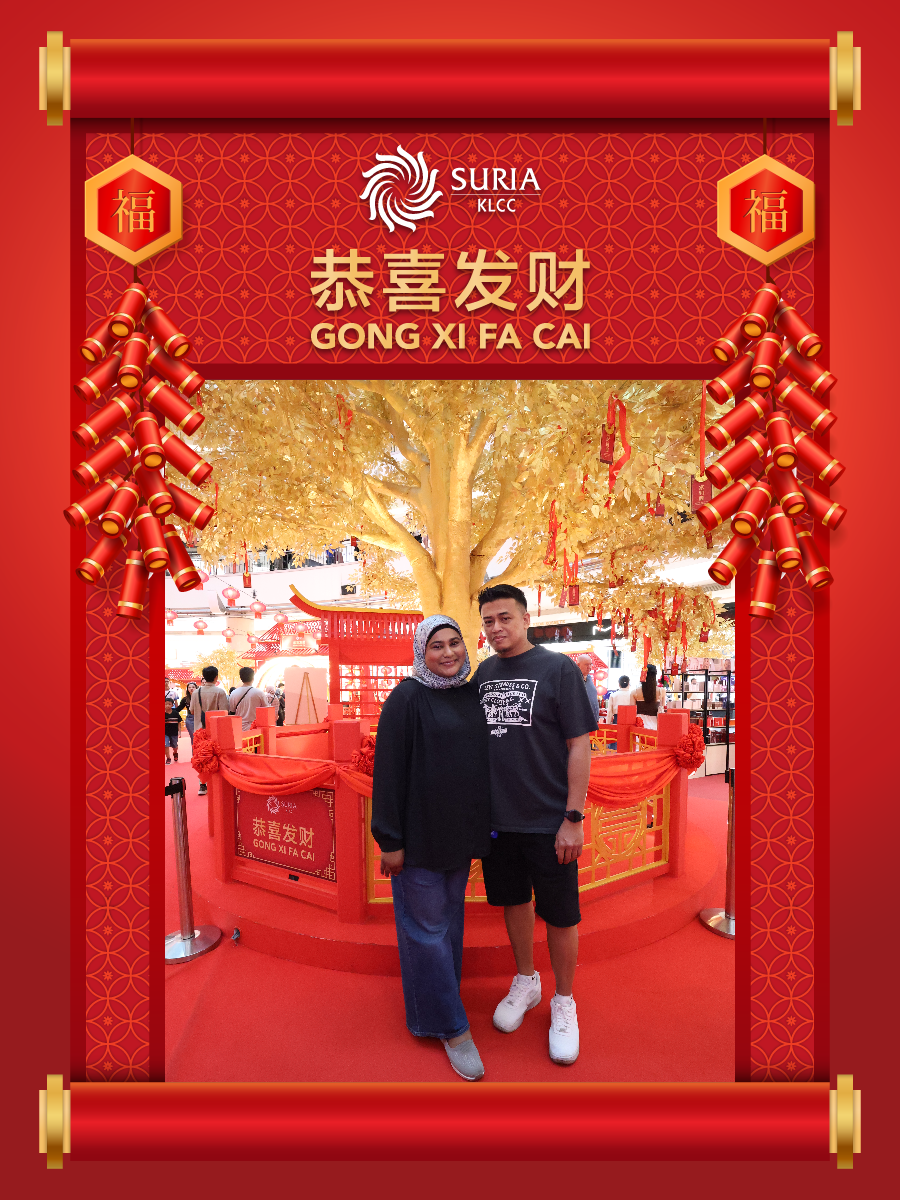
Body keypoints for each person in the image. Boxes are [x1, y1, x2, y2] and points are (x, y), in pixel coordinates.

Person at [473, 584, 596, 1066]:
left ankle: (564, 1000)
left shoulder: (557, 669)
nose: (496, 628)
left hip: (550, 821)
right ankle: (526, 980)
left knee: (561, 914)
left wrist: (573, 817)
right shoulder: (484, 673)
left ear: (526, 619)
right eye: (488, 621)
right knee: (513, 901)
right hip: (499, 820)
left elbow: (579, 745)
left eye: (505, 617)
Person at [371, 615, 492, 1082]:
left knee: (448, 927)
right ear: (421, 653)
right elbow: (388, 773)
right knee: (426, 930)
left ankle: (435, 1008)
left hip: (457, 836)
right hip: (417, 839)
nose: (448, 653)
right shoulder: (407, 698)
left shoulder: (470, 694)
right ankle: (453, 1028)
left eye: (454, 643)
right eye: (436, 646)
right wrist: (390, 840)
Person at [190, 666, 229, 794]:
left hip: (199, 730)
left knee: (201, 757)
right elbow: (224, 712)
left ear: (204, 677)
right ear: (216, 677)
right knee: (215, 756)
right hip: (215, 730)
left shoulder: (196, 693)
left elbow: (191, 710)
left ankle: (202, 784)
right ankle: (217, 784)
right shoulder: (220, 692)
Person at [228, 666, 276, 731]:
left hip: (238, 729)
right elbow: (267, 710)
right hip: (255, 729)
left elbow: (232, 711)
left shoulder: (233, 693)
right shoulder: (259, 693)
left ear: (241, 678)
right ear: (253, 678)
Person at [631, 664, 666, 730]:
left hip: (640, 725)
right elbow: (662, 710)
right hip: (655, 726)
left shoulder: (634, 692)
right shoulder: (662, 691)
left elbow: (632, 712)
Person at [575, 655, 600, 725]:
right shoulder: (573, 679)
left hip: (593, 720)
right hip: (580, 721)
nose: (589, 667)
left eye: (590, 664)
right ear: (578, 665)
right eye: (586, 664)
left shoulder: (589, 677)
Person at [179, 681, 198, 746]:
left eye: (193, 687)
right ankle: (194, 751)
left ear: (196, 688)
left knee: (200, 736)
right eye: (189, 687)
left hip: (199, 718)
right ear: (187, 689)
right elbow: (179, 708)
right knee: (193, 737)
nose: (191, 688)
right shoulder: (185, 699)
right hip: (190, 719)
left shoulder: (200, 698)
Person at [164, 699, 182, 764]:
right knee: (166, 745)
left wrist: (179, 732)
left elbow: (179, 723)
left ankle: (175, 753)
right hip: (165, 733)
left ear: (172, 705)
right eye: (166, 704)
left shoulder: (175, 713)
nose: (167, 705)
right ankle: (168, 758)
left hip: (174, 733)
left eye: (169, 704)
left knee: (174, 745)